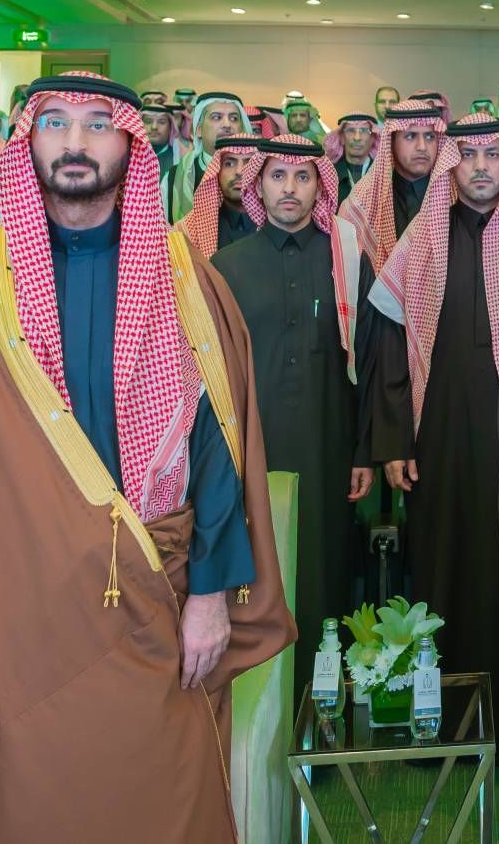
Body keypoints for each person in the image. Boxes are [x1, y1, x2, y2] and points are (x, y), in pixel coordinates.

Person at [0, 73, 294, 841]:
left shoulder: (185, 277)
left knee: (159, 799)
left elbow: (216, 447)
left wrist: (212, 596)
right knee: (12, 801)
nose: (74, 142)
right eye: (54, 123)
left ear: (129, 143)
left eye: (95, 124)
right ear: (28, 140)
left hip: (149, 597)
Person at [368, 113, 499, 752]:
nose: (482, 168)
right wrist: (393, 441)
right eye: (468, 156)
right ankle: (438, 726)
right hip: (436, 437)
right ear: (451, 166)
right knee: (439, 566)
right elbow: (390, 344)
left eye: (493, 155)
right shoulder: (425, 237)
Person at [212, 135, 372, 690]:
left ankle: (321, 704)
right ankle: (259, 714)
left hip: (330, 452)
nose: (290, 189)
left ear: (319, 187)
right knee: (258, 575)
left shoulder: (346, 262)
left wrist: (364, 451)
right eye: (277, 176)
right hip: (249, 457)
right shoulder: (226, 266)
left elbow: (369, 362)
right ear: (258, 184)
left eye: (302, 177)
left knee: (324, 575)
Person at [339, 100, 446, 273]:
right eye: (410, 136)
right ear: (391, 142)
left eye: (429, 137)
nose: (422, 147)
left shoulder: (452, 196)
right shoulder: (361, 201)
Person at [168, 91, 252, 222]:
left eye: (234, 118)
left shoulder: (257, 172)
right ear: (199, 130)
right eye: (217, 117)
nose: (227, 124)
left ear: (242, 129)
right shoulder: (175, 176)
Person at [173, 133, 261, 258]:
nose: (239, 172)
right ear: (217, 172)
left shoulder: (278, 222)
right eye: (229, 164)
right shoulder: (188, 230)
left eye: (249, 163)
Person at [333, 112, 376, 202]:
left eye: (364, 131)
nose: (357, 138)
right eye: (351, 130)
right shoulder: (331, 173)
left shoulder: (382, 173)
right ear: (342, 138)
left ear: (372, 138)